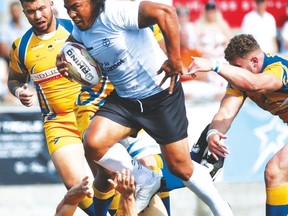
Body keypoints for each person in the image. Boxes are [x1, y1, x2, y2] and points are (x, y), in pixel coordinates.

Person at [57, 0, 233, 215]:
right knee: (93, 143)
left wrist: (175, 59)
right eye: (67, 9)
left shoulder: (115, 11)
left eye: (76, 6)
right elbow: (71, 45)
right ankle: (146, 179)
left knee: (181, 167)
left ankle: (222, 209)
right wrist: (62, 60)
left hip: (160, 95)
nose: (72, 13)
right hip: (125, 99)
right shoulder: (81, 28)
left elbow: (166, 12)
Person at [7, 0, 98, 215]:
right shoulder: (22, 45)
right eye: (30, 12)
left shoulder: (76, 29)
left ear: (51, 4)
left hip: (92, 114)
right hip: (58, 122)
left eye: (41, 9)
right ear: (24, 12)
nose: (37, 15)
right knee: (77, 187)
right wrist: (20, 92)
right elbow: (14, 80)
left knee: (111, 182)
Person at [188, 33, 288, 216]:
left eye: (237, 68)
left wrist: (215, 65)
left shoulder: (277, 68)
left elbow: (256, 84)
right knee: (276, 173)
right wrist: (213, 134)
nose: (233, 73)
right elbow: (226, 112)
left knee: (277, 170)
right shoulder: (241, 81)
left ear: (255, 62)